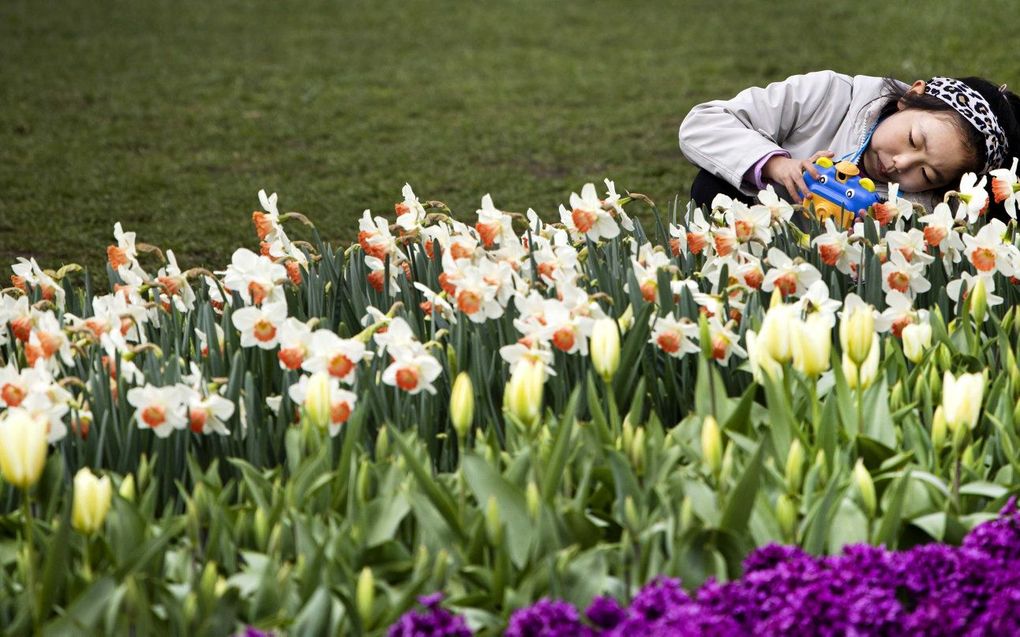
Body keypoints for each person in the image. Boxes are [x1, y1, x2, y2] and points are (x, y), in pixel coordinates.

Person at [678, 71, 1020, 215]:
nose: (901, 164)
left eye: (928, 175)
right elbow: (702, 123)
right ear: (912, 96)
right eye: (914, 139)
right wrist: (776, 166)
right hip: (756, 255)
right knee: (712, 186)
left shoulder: (928, 210)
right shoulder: (829, 95)